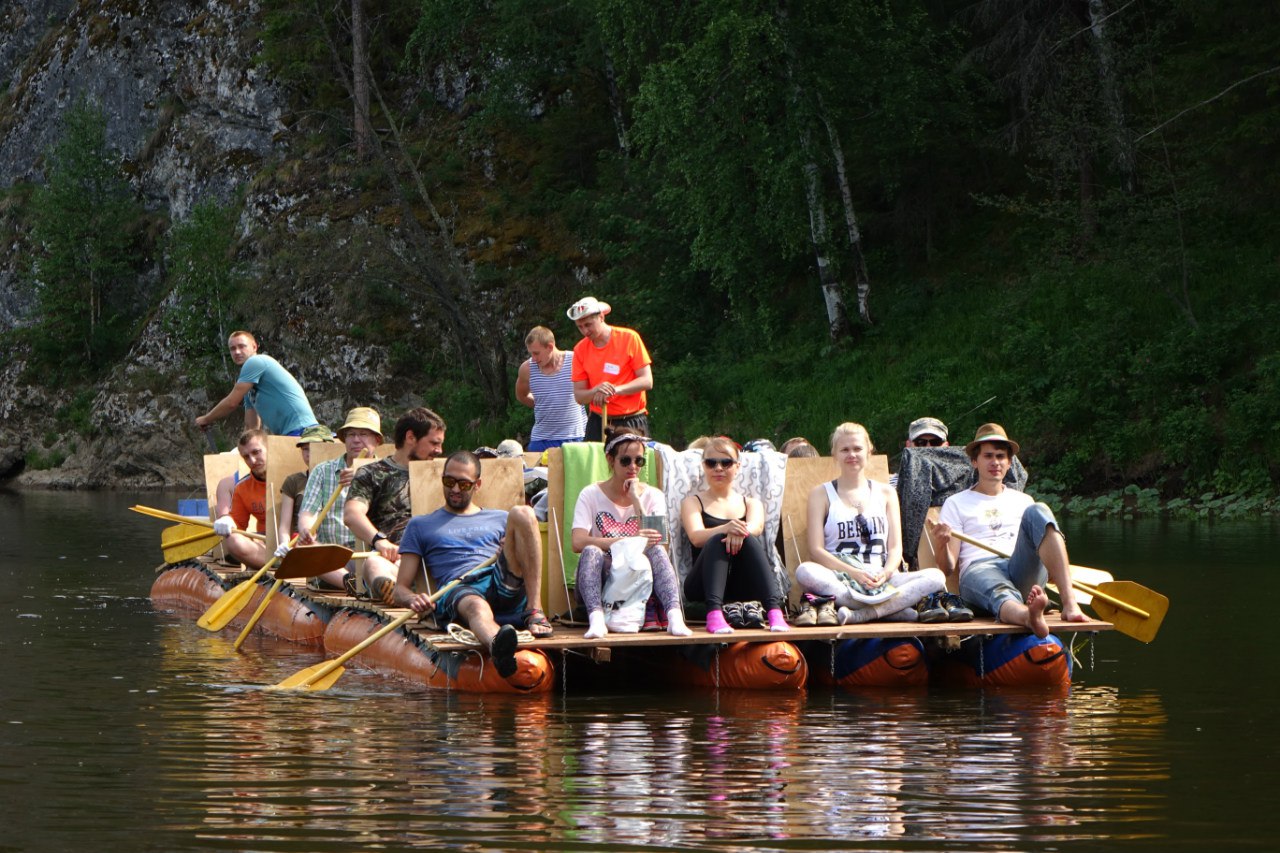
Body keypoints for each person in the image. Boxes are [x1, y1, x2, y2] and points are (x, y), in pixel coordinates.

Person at [393, 450, 551, 679]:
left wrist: (509, 550)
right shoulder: (420, 525)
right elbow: (400, 590)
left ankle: (534, 611)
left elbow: (519, 553)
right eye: (449, 482)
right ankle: (498, 646)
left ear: (477, 485)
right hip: (460, 587)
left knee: (524, 512)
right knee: (476, 606)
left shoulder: (499, 518)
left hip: (499, 578)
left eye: (464, 484)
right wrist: (413, 599)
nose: (455, 489)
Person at [929, 423, 1088, 638]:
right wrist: (941, 543)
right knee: (997, 588)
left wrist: (1053, 569)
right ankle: (1028, 616)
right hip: (979, 570)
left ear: (1009, 462)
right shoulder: (956, 503)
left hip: (1020, 568)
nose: (995, 462)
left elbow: (1043, 554)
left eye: (1001, 456)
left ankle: (1070, 604)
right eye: (988, 456)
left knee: (1039, 510)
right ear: (975, 461)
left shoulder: (1023, 500)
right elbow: (947, 568)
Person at [794, 423, 955, 625]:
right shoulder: (821, 494)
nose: (851, 454)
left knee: (936, 577)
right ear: (835, 454)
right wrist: (855, 573)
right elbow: (816, 550)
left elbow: (896, 548)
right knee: (805, 571)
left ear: (869, 451)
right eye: (845, 449)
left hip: (883, 577)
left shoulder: (886, 493)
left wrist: (885, 573)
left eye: (857, 448)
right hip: (841, 578)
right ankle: (893, 610)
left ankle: (864, 614)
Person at [571, 430, 691, 638]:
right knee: (591, 551)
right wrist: (627, 541)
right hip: (604, 577)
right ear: (610, 460)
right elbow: (578, 541)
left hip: (637, 578)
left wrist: (636, 500)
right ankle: (596, 619)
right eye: (625, 461)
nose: (633, 467)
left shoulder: (652, 495)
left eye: (639, 461)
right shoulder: (590, 494)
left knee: (656, 551)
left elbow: (659, 542)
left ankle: (675, 617)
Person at [680, 436, 789, 634]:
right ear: (704, 466)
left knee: (747, 537)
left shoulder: (751, 503)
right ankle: (713, 614)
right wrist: (725, 529)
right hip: (703, 584)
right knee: (715, 540)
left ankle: (774, 611)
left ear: (737, 466)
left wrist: (736, 530)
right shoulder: (693, 502)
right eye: (711, 463)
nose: (718, 468)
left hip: (742, 583)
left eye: (726, 462)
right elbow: (696, 537)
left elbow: (755, 527)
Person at [344, 407, 446, 603]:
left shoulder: (445, 474)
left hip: (439, 556)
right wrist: (380, 541)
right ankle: (398, 594)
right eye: (434, 443)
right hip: (396, 559)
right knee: (373, 564)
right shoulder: (370, 473)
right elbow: (352, 514)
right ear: (410, 437)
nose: (439, 450)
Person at [295, 407, 385, 593]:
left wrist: (363, 478)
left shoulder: (387, 472)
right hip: (333, 557)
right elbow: (308, 512)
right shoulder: (322, 470)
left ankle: (371, 583)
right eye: (351, 434)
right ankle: (349, 583)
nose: (356, 440)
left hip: (374, 553)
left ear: (376, 440)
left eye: (363, 434)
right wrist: (306, 530)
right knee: (304, 549)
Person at [195, 331, 320, 437]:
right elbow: (251, 426)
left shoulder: (255, 362)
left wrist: (206, 419)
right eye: (232, 349)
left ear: (254, 347)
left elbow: (231, 403)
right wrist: (240, 452)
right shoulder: (249, 388)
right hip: (288, 434)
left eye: (242, 346)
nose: (237, 352)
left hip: (303, 431)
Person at [568, 296, 653, 441]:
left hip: (631, 419)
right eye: (580, 327)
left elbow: (647, 381)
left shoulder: (629, 338)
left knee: (632, 462)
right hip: (598, 421)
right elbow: (579, 396)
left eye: (588, 324)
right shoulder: (580, 349)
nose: (585, 331)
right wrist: (596, 391)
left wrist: (614, 390)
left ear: (601, 317)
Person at [516, 326, 587, 451]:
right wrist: (542, 404)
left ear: (550, 346)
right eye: (531, 353)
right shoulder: (527, 369)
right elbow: (521, 395)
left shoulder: (575, 360)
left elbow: (590, 389)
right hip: (542, 439)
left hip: (575, 436)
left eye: (536, 353)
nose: (533, 358)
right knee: (537, 471)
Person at [212, 429, 271, 569]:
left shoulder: (292, 478)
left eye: (256, 452)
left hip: (297, 540)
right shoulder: (242, 487)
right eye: (246, 457)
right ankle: (276, 564)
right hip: (266, 542)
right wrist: (227, 520)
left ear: (269, 449)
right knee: (233, 540)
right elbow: (237, 526)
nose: (252, 460)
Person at [277, 425, 337, 546]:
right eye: (305, 449)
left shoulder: (342, 477)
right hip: (304, 542)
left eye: (314, 448)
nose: (309, 454)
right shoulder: (293, 481)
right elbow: (284, 526)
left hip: (335, 542)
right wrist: (284, 544)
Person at [889, 416, 949, 489]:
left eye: (936, 442)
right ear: (908, 446)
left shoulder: (961, 483)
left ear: (946, 446)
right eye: (920, 442)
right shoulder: (890, 487)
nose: (928, 447)